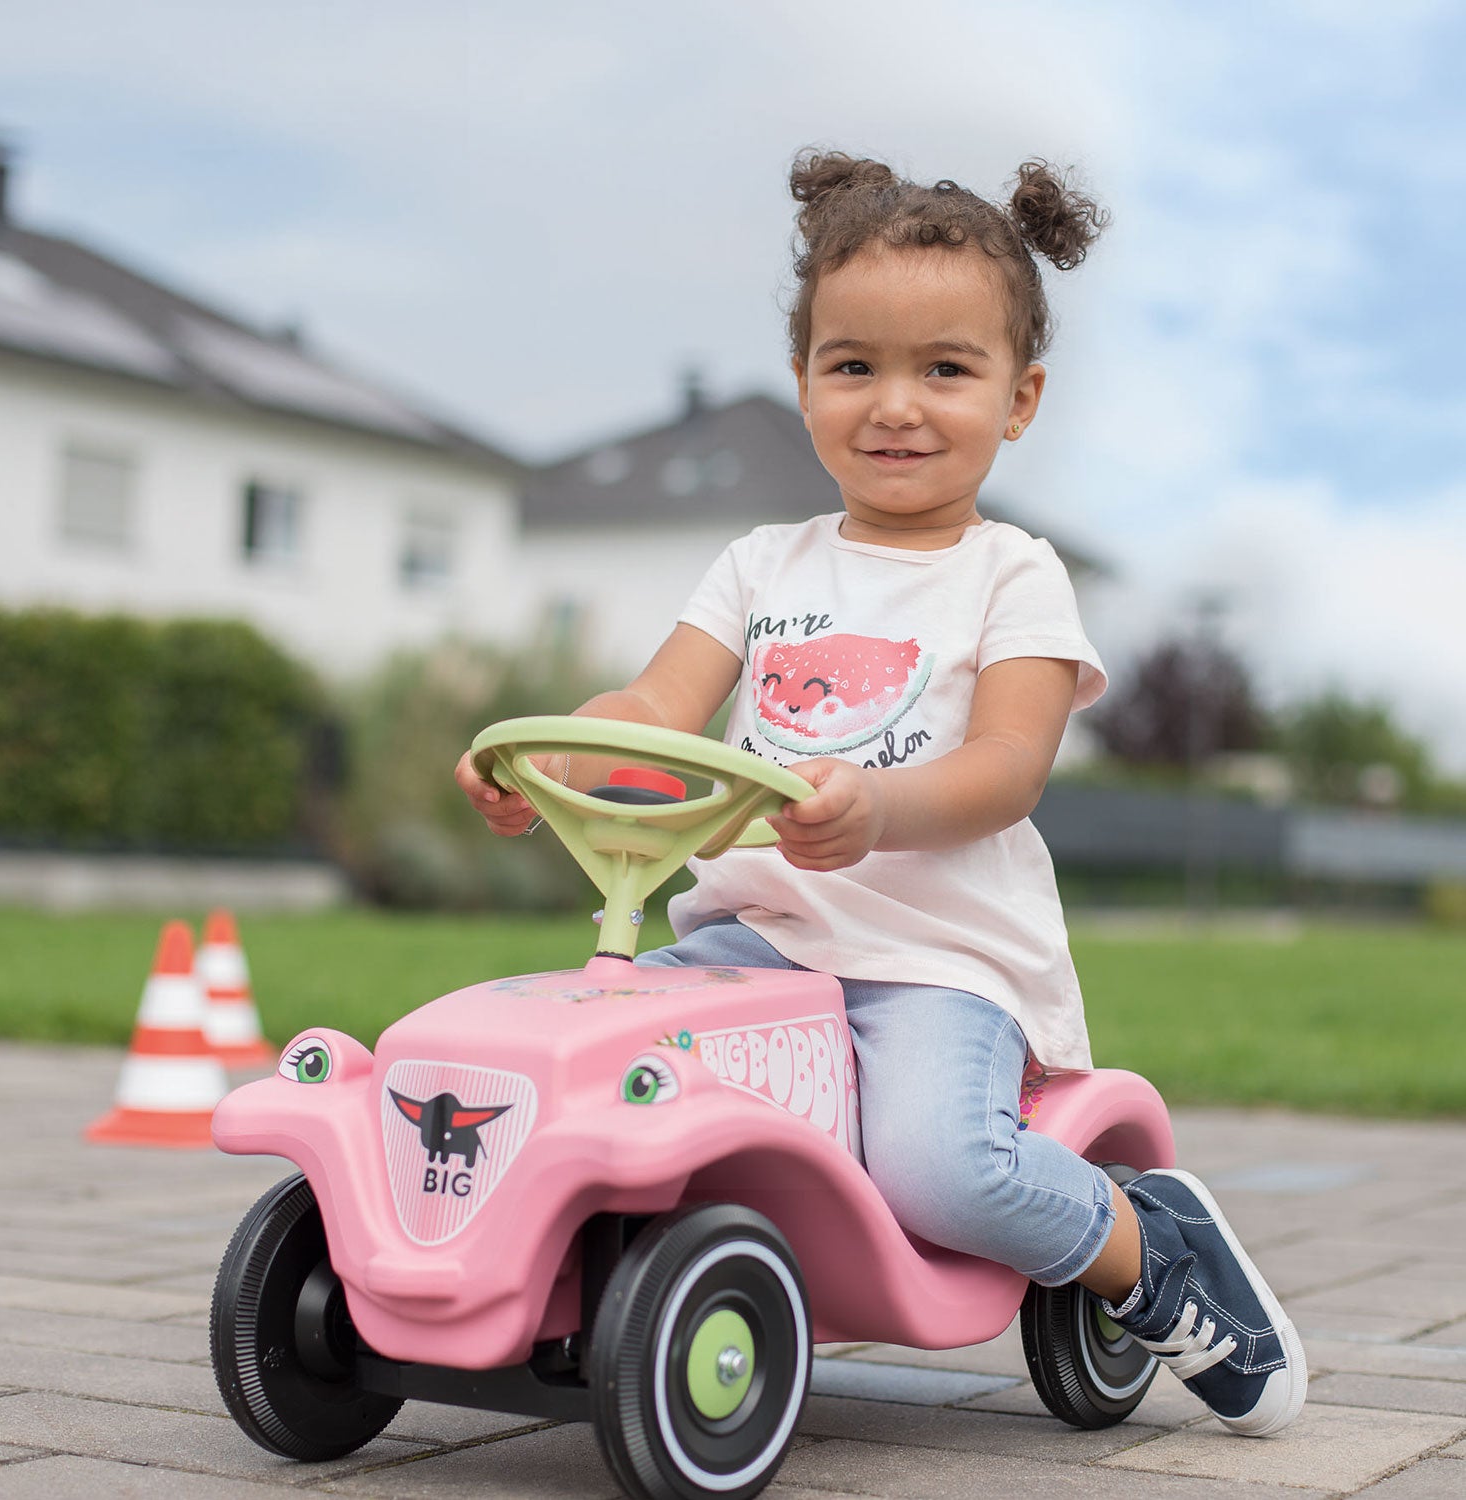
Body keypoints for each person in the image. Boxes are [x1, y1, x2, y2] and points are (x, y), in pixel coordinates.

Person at [457, 150, 1306, 1437]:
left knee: (940, 1169)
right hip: (757, 942)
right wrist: (547, 755)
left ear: (1018, 400)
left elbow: (1006, 773)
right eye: (854, 365)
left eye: (945, 371)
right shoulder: (759, 566)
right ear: (802, 381)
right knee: (577, 1064)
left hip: (936, 962)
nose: (895, 406)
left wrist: (878, 814)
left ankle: (1148, 1245)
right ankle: (569, 1286)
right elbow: (652, 709)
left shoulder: (1012, 576)